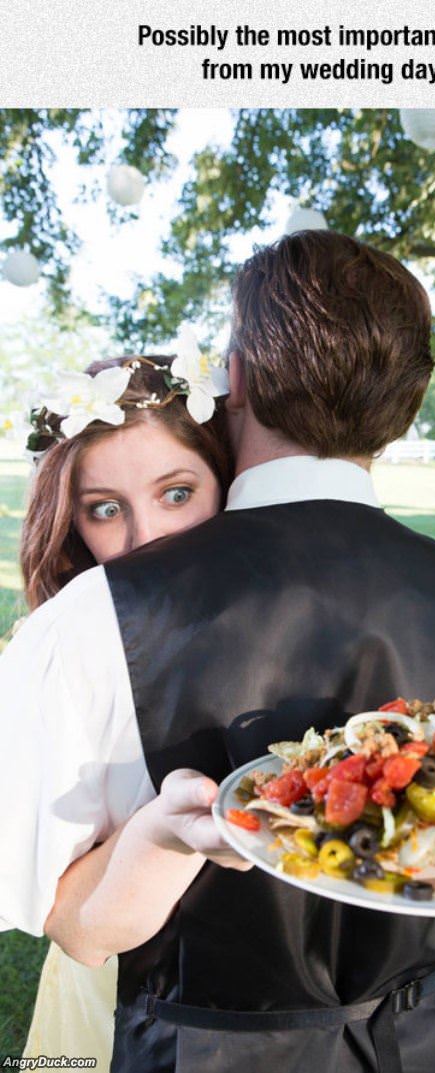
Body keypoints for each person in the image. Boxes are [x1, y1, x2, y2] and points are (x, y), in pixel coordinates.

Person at [0, 231, 435, 1073]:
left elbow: (75, 925)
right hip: (428, 1044)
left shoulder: (94, 618)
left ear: (239, 378)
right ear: (414, 396)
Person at [9, 353, 232, 1069]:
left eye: (176, 492)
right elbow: (72, 926)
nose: (147, 539)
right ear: (73, 524)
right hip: (117, 1012)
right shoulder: (65, 651)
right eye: (106, 509)